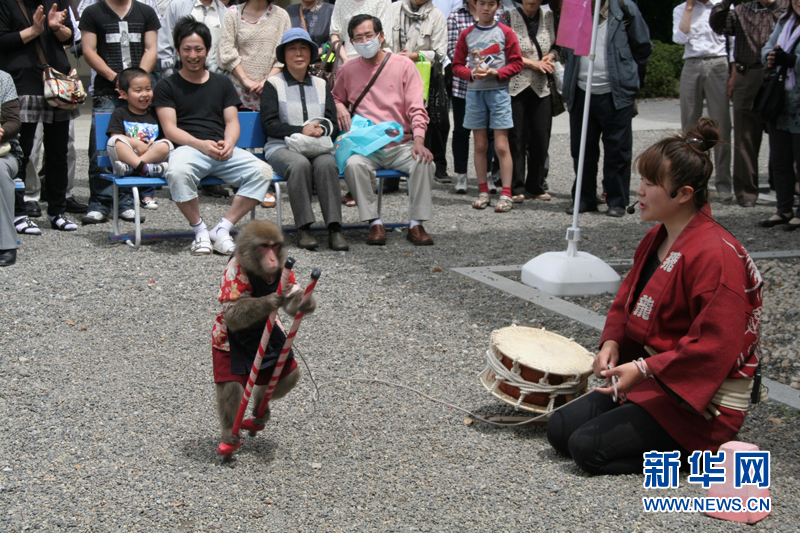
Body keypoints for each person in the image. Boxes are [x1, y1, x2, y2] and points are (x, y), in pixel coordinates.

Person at [547, 118, 764, 475]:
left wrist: (645, 367)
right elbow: (627, 298)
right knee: (560, 430)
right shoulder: (658, 237)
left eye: (650, 184)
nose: (640, 192)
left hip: (698, 398)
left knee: (587, 449)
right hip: (656, 376)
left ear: (683, 194)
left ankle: (699, 457)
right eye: (642, 181)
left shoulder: (716, 254)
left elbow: (716, 344)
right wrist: (613, 342)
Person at [153, 16, 271, 255]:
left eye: (199, 49)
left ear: (207, 50)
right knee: (176, 172)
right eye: (186, 49)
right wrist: (200, 145)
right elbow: (170, 129)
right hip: (188, 149)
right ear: (178, 50)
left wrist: (229, 143)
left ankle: (222, 228)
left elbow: (232, 122)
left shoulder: (222, 83)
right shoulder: (167, 86)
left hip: (221, 149)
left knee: (263, 171)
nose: (193, 55)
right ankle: (199, 231)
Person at [332, 14, 436, 246]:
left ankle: (416, 224)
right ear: (352, 42)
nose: (364, 40)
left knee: (424, 162)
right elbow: (335, 97)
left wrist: (419, 140)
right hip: (367, 145)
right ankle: (374, 222)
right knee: (353, 165)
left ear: (381, 36)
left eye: (369, 35)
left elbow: (417, 107)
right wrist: (340, 106)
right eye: (358, 37)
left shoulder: (404, 65)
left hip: (401, 143)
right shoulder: (347, 70)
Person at [260, 28, 348, 251]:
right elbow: (269, 124)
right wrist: (302, 129)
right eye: (292, 48)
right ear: (284, 54)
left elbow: (332, 122)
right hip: (281, 146)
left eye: (303, 48)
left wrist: (321, 130)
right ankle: (304, 227)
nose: (298, 54)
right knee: (298, 164)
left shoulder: (321, 84)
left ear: (310, 54)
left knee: (328, 163)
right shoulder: (273, 84)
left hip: (316, 146)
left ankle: (335, 227)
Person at [562, 0, 651, 217]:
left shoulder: (624, 7)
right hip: (582, 90)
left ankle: (616, 200)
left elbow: (642, 46)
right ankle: (584, 198)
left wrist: (631, 80)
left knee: (617, 149)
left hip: (615, 91)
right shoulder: (575, 7)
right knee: (582, 149)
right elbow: (565, 49)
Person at [0, 0, 80, 233]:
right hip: (22, 81)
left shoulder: (57, 1)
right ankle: (18, 212)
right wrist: (33, 31)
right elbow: (3, 40)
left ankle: (57, 211)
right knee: (21, 151)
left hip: (56, 82)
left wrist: (55, 27)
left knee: (58, 151)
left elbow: (71, 37)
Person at [80, 0, 160, 224]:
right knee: (101, 149)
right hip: (107, 91)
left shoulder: (146, 11)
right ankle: (100, 201)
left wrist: (136, 83)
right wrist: (116, 79)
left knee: (136, 144)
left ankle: (126, 201)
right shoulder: (92, 12)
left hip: (137, 94)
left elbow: (151, 48)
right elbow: (89, 50)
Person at [710, 0, 788, 208]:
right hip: (748, 73)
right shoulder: (742, 10)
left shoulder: (787, 7)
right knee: (745, 137)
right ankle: (746, 193)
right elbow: (718, 26)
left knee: (786, 133)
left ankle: (791, 192)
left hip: (780, 72)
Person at [452, 0, 523, 213]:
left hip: (499, 92)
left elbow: (517, 63)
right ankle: (483, 191)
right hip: (474, 93)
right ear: (475, 5)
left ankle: (506, 193)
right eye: (482, 3)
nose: (486, 8)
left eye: (491, 4)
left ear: (498, 6)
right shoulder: (466, 34)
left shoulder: (506, 32)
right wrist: (471, 74)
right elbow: (456, 65)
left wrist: (498, 73)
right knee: (480, 144)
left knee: (501, 145)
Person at [446, 0, 509, 194]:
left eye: (491, 3)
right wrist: (473, 70)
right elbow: (452, 50)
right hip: (465, 85)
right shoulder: (456, 15)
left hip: (494, 85)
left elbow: (507, 53)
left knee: (491, 135)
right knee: (462, 131)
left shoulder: (501, 17)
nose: (486, 7)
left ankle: (489, 175)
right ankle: (461, 174)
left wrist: (491, 70)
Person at [673, 0, 733, 203]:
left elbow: (732, 41)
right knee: (690, 126)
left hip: (718, 62)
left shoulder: (724, 7)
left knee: (722, 124)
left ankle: (724, 183)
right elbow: (679, 38)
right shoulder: (681, 9)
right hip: (692, 62)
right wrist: (689, 8)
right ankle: (692, 182)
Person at [387, 0, 448, 190]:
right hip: (392, 74)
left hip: (423, 77)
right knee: (392, 120)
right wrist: (396, 58)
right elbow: (383, 41)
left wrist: (415, 56)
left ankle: (420, 175)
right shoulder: (393, 9)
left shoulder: (436, 15)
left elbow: (440, 53)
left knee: (422, 123)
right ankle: (390, 179)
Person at [507, 0, 556, 203]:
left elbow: (558, 45)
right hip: (515, 85)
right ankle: (515, 186)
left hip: (541, 87)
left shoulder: (550, 16)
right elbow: (505, 50)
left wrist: (551, 56)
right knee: (516, 137)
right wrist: (532, 63)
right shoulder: (508, 16)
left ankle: (535, 185)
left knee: (540, 136)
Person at [760, 0, 800, 231]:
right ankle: (783, 208)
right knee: (780, 159)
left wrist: (793, 60)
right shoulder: (786, 21)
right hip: (781, 101)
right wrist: (771, 56)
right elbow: (768, 45)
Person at [106, 67, 172, 200]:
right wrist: (136, 143)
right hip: (127, 155)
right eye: (138, 90)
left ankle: (134, 168)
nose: (144, 94)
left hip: (147, 157)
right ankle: (140, 167)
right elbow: (115, 136)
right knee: (115, 141)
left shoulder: (155, 114)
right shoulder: (120, 113)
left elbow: (160, 139)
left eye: (148, 89)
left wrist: (155, 143)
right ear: (123, 94)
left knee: (166, 144)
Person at [217, 0, 290, 111]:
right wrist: (245, 80)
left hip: (273, 90)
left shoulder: (281, 16)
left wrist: (268, 81)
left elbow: (285, 54)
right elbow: (226, 52)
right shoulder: (232, 14)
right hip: (238, 91)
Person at [158, 0, 227, 77]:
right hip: (178, 70)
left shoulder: (224, 12)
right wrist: (168, 72)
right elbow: (165, 39)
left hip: (211, 73)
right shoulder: (177, 5)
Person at [0, 69, 22, 266]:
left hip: (3, 151)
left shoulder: (3, 79)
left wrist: (2, 131)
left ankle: (5, 244)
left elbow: (13, 122)